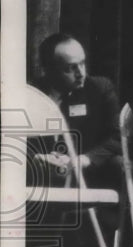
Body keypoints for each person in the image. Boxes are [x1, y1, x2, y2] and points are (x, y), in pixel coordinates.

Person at [32, 32, 121, 189]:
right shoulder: (31, 94)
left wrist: (83, 160)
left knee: (121, 165)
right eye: (70, 68)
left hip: (87, 173)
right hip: (39, 174)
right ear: (48, 69)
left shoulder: (99, 89)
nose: (81, 73)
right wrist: (36, 158)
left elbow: (118, 136)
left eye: (82, 64)